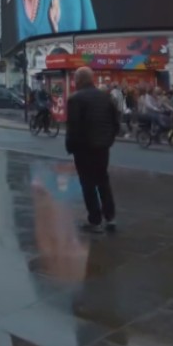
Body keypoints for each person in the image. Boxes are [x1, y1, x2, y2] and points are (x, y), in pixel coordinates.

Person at [65, 66, 119, 233]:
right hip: (102, 147)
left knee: (87, 183)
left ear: (79, 80)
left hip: (84, 148)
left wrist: (71, 147)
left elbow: (73, 127)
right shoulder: (106, 97)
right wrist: (108, 140)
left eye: (75, 79)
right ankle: (110, 217)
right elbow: (115, 123)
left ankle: (94, 219)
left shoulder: (75, 99)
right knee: (103, 180)